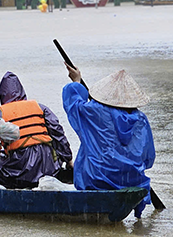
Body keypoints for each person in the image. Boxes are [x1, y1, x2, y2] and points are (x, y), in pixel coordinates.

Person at [63, 65, 155, 218]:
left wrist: (76, 82)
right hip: (132, 180)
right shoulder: (141, 119)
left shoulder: (93, 111)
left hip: (95, 180)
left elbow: (72, 102)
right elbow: (148, 159)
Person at [0, 72, 73, 189]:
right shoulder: (40, 107)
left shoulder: (0, 114)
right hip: (47, 165)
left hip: (18, 169)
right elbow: (57, 132)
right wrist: (68, 159)